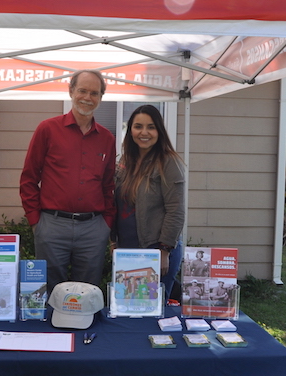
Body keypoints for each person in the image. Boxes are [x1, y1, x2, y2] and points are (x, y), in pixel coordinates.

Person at [20, 69, 116, 292]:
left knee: (86, 292)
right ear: (71, 91)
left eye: (94, 93)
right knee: (52, 292)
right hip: (52, 226)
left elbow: (108, 185)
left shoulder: (107, 139)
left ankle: (84, 329)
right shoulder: (47, 129)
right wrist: (36, 222)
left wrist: (106, 225)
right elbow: (29, 178)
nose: (87, 98)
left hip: (93, 228)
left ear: (101, 97)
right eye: (82, 91)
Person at [113, 104, 185, 300]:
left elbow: (176, 210)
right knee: (128, 308)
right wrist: (113, 241)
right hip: (127, 252)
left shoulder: (169, 163)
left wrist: (164, 251)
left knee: (154, 310)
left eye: (151, 127)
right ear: (130, 131)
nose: (144, 132)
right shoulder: (125, 161)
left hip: (155, 251)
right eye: (138, 126)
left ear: (159, 131)